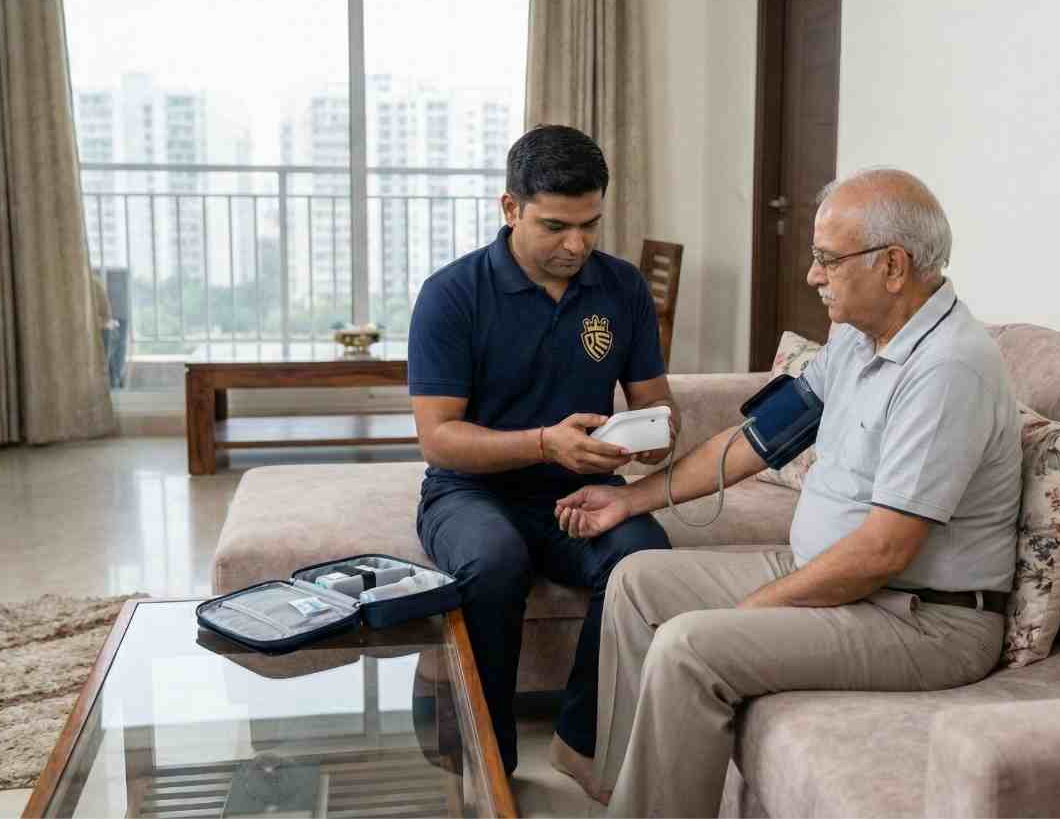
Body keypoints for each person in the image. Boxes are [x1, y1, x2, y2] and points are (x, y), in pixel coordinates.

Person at [554, 168, 1023, 816]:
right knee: (635, 581)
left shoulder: (946, 369)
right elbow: (755, 440)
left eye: (828, 258)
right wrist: (628, 499)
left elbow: (882, 553)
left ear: (893, 265)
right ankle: (621, 796)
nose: (812, 274)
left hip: (923, 617)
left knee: (692, 644)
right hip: (838, 578)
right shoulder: (859, 340)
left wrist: (752, 610)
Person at [408, 124, 677, 782]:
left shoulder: (621, 289)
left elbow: (660, 411)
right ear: (511, 208)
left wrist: (645, 444)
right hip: (469, 489)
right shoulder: (452, 294)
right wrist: (542, 442)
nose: (577, 244)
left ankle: (583, 742)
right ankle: (488, 762)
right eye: (557, 225)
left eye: (590, 224)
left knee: (643, 555)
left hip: (582, 491)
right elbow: (438, 435)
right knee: (494, 560)